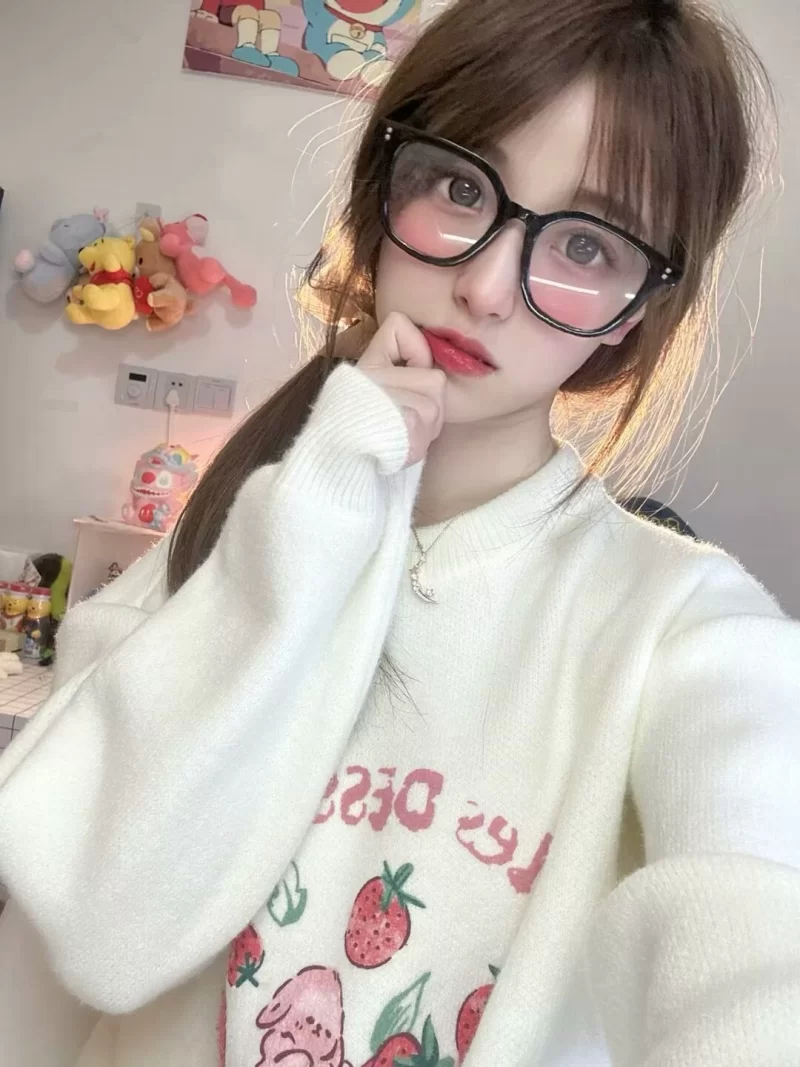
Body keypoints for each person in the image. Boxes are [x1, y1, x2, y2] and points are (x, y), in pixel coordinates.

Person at [1, 0, 799, 1064]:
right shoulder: (231, 533)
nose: (484, 286)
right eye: (462, 188)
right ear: (385, 186)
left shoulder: (686, 629)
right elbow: (95, 933)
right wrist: (319, 510)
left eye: (584, 243)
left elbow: (753, 923)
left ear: (633, 310)